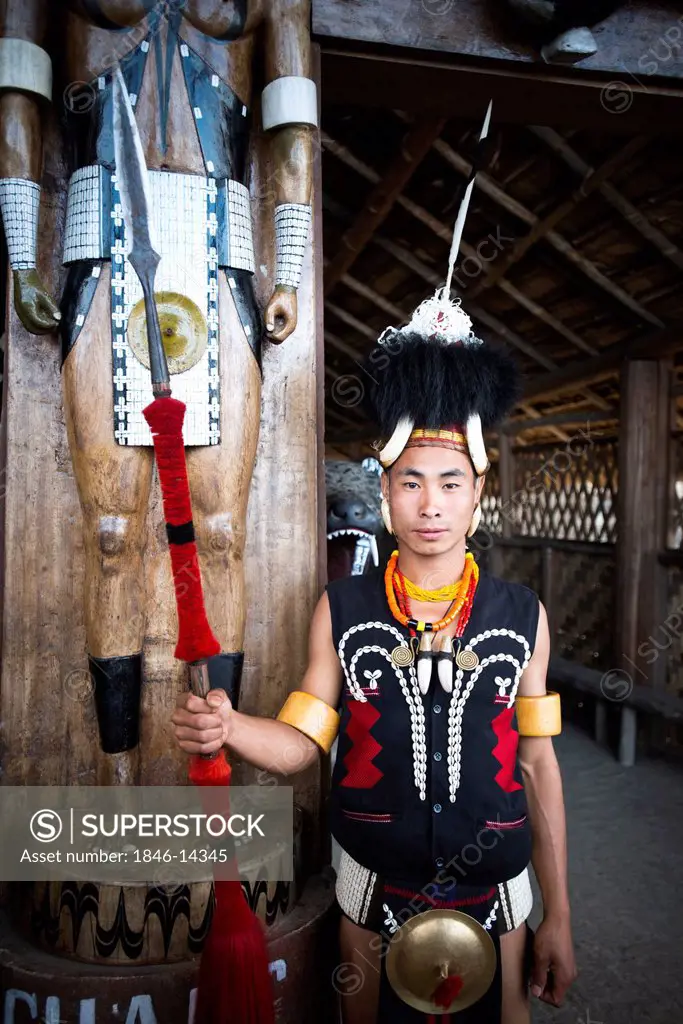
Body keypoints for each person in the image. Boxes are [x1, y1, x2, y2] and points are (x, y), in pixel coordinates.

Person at [171, 285, 578, 1022]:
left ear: (477, 494)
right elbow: (303, 743)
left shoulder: (523, 616)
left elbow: (536, 764)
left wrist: (559, 915)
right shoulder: (346, 608)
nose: (430, 504)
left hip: (499, 893)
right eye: (411, 483)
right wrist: (229, 728)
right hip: (371, 894)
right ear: (385, 492)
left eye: (450, 484)